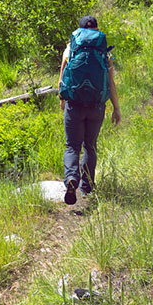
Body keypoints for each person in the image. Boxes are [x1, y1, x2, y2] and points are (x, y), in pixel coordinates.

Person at [58, 15, 121, 205]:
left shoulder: (71, 48)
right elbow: (110, 83)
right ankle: (87, 188)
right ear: (96, 29)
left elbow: (62, 78)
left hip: (74, 105)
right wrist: (116, 108)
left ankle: (71, 179)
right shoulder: (104, 52)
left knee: (72, 146)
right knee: (90, 146)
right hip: (96, 107)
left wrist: (62, 99)